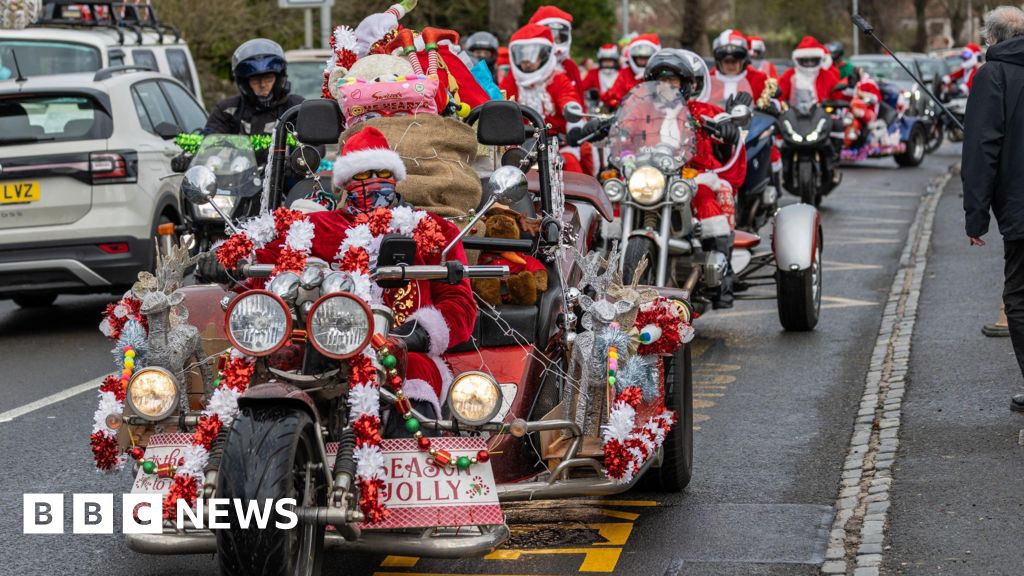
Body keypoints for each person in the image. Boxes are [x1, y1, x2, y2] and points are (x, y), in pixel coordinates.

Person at [254, 126, 477, 417]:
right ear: (347, 182)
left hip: (403, 352)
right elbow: (264, 269)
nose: (373, 181)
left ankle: (408, 455)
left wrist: (416, 334)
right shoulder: (315, 228)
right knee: (268, 380)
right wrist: (228, 264)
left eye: (382, 173)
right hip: (322, 347)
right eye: (362, 175)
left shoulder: (432, 230)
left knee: (417, 377)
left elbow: (459, 303)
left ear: (395, 178)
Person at [640, 49, 746, 307]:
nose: (666, 86)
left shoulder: (698, 111)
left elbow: (719, 119)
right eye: (660, 81)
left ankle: (722, 274)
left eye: (672, 81)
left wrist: (727, 126)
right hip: (647, 177)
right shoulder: (639, 113)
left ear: (686, 85)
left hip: (690, 177)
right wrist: (600, 125)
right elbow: (618, 127)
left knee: (711, 198)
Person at [961, 5, 1024, 412]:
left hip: (1020, 208)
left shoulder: (993, 75)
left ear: (991, 38)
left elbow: (982, 150)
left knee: (1018, 297)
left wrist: (975, 216)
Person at [500, 23, 589, 174]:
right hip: (519, 147)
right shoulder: (510, 81)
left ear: (544, 54)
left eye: (531, 55)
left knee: (574, 169)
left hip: (556, 144)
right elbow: (500, 103)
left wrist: (571, 110)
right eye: (522, 55)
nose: (526, 61)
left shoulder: (558, 78)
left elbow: (568, 96)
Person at [204, 38, 304, 135]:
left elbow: (314, 145)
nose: (263, 85)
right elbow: (210, 143)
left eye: (269, 79)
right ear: (244, 84)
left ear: (279, 79)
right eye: (255, 80)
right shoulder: (228, 109)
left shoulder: (297, 107)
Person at [528, 5, 585, 100]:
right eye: (549, 37)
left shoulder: (570, 66)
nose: (555, 45)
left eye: (558, 38)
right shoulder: (527, 67)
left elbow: (579, 98)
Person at [709, 29, 768, 109]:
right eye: (726, 62)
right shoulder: (708, 80)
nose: (731, 65)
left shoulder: (758, 78)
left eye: (734, 61)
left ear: (742, 61)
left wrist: (772, 105)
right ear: (719, 62)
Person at [602, 33, 661, 109]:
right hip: (629, 117)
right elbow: (613, 96)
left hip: (658, 116)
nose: (643, 62)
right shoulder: (625, 73)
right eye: (640, 58)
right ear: (633, 58)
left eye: (646, 58)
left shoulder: (661, 73)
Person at [779, 36, 840, 104]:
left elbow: (839, 96)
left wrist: (847, 86)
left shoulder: (826, 75)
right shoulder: (790, 74)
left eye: (813, 60)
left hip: (822, 113)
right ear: (798, 60)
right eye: (805, 60)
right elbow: (779, 95)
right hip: (794, 111)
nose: (809, 63)